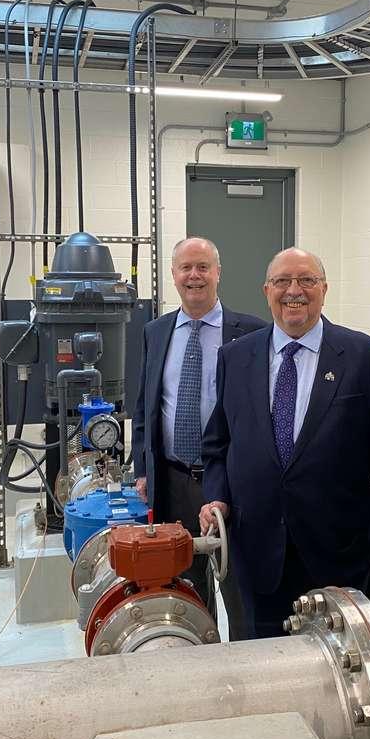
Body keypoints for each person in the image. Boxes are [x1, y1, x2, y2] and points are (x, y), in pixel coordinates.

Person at [200, 247, 370, 638]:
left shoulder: (365, 357)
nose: (294, 290)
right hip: (256, 555)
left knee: (340, 677)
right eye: (282, 281)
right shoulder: (235, 358)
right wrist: (216, 495)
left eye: (307, 280)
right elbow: (217, 445)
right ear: (266, 290)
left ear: (324, 289)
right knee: (262, 671)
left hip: (341, 560)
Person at [131, 237, 267, 635]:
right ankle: (198, 656)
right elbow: (144, 407)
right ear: (173, 275)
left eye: (203, 267)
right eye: (186, 268)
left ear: (218, 273)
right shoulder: (155, 332)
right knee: (185, 587)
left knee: (238, 586)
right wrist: (143, 468)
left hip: (231, 484)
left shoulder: (253, 332)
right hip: (172, 482)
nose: (195, 276)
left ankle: (247, 661)